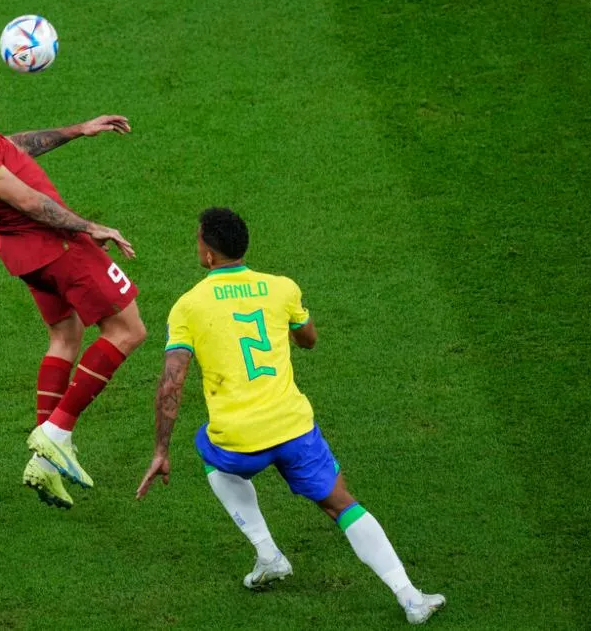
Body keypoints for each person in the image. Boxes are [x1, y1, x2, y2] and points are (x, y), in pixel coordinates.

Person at [136, 208, 444, 625]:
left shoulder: (188, 306)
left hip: (238, 439)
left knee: (208, 449)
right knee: (341, 504)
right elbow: (309, 339)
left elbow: (171, 384)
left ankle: (268, 553)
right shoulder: (281, 288)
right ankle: (410, 597)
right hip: (293, 427)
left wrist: (160, 449)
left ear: (208, 255)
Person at [0, 61, 147, 510]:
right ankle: (56, 433)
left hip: (22, 252)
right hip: (56, 245)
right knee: (127, 330)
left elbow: (9, 148)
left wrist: (78, 130)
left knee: (65, 335)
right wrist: (88, 228)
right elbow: (26, 198)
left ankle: (44, 462)